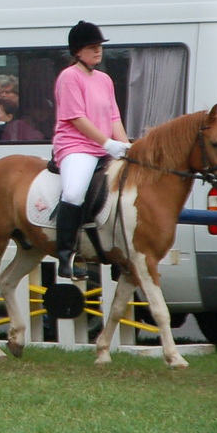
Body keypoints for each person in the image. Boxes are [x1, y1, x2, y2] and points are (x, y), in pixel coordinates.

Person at [52, 21, 130, 280]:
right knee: (74, 192)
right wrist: (107, 144)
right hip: (77, 146)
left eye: (99, 46)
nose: (98, 51)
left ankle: (119, 251)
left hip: (103, 147)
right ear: (78, 51)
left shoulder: (105, 80)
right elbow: (76, 118)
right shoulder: (69, 77)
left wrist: (128, 148)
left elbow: (114, 118)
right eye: (92, 47)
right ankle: (65, 256)